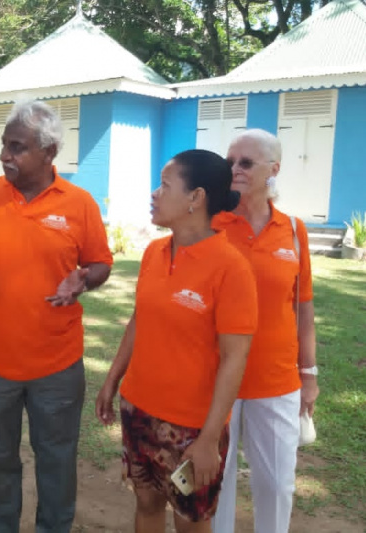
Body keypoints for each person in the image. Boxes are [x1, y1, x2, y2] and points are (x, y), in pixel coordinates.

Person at [0, 99, 113, 533]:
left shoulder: (79, 204)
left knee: (57, 458)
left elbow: (100, 262)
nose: (5, 155)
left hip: (57, 363)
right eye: (4, 145)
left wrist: (83, 280)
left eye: (17, 147)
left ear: (49, 152)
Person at [96, 149, 259, 533]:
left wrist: (208, 440)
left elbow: (236, 358)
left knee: (191, 519)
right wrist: (112, 379)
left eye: (165, 185)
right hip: (139, 410)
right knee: (146, 502)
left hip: (191, 427)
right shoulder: (154, 252)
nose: (154, 193)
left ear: (195, 198)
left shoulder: (231, 268)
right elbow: (140, 319)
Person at [211, 129, 319, 533]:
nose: (234, 170)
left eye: (245, 163)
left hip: (276, 380)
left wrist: (308, 374)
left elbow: (303, 306)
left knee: (276, 484)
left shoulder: (293, 230)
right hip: (215, 374)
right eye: (230, 162)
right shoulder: (210, 224)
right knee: (215, 482)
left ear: (274, 169)